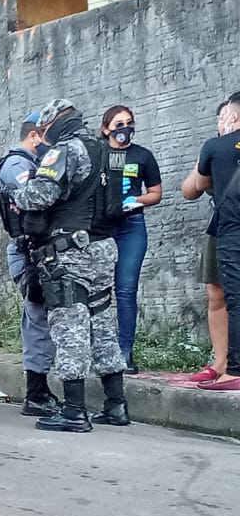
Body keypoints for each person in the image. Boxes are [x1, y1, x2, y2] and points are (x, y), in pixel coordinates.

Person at [11, 99, 129, 432]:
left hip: (70, 253)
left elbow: (39, 196)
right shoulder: (110, 150)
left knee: (70, 330)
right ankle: (116, 405)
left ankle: (74, 411)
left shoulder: (66, 150)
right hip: (104, 249)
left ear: (54, 125)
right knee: (104, 327)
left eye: (45, 131)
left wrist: (16, 196)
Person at [0, 114, 59, 416]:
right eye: (47, 137)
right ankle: (36, 393)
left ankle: (40, 390)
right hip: (28, 253)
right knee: (37, 319)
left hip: (39, 251)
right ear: (34, 137)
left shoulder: (30, 163)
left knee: (42, 318)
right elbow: (34, 199)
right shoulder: (17, 165)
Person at [181, 96, 240, 391]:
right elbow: (189, 190)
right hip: (221, 227)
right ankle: (220, 362)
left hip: (234, 230)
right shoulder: (215, 148)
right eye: (218, 118)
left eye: (225, 117)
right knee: (217, 295)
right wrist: (206, 157)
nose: (221, 123)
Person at [99, 105, 163, 373]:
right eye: (118, 124)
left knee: (126, 290)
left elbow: (156, 193)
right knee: (98, 292)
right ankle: (100, 351)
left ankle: (125, 351)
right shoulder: (98, 155)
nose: (124, 128)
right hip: (102, 228)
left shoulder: (142, 156)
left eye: (129, 122)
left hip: (131, 226)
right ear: (106, 129)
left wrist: (134, 200)